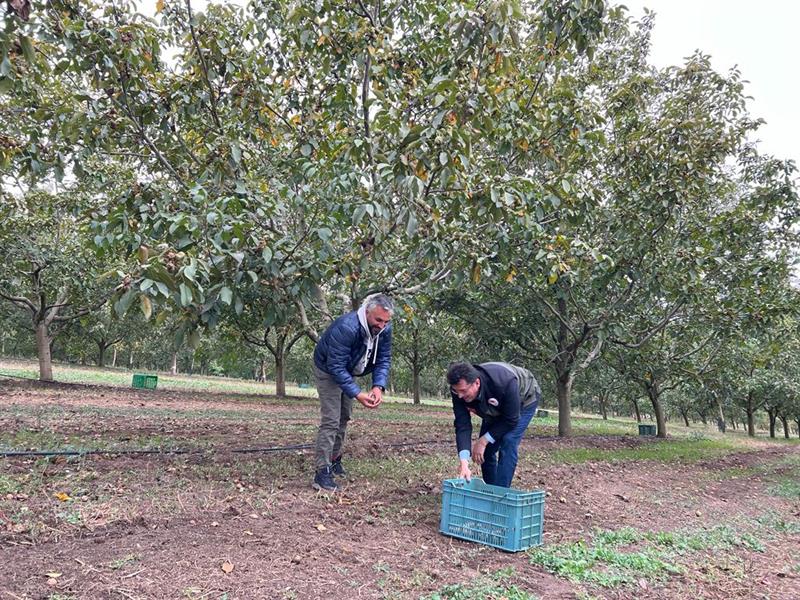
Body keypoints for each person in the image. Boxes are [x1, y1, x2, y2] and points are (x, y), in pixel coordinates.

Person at [311, 293, 394, 492]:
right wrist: (357, 393)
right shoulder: (346, 327)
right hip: (327, 369)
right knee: (331, 420)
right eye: (378, 320)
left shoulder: (384, 329)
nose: (382, 325)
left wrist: (378, 386)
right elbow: (335, 366)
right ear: (367, 312)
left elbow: (384, 358)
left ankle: (334, 459)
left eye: (386, 321)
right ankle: (321, 472)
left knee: (344, 416)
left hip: (347, 370)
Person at [446, 361, 540, 488]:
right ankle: (490, 490)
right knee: (486, 452)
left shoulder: (505, 383)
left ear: (477, 383)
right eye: (457, 391)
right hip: (495, 405)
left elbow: (511, 420)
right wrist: (464, 462)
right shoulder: (458, 391)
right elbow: (462, 425)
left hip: (525, 398)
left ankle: (500, 493)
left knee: (509, 440)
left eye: (463, 391)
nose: (460, 396)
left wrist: (483, 440)